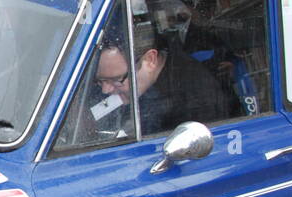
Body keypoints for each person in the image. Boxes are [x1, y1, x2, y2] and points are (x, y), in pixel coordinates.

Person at [94, 25, 234, 137]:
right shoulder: (149, 83)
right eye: (100, 81)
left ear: (150, 60)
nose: (105, 90)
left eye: (116, 80)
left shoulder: (194, 102)